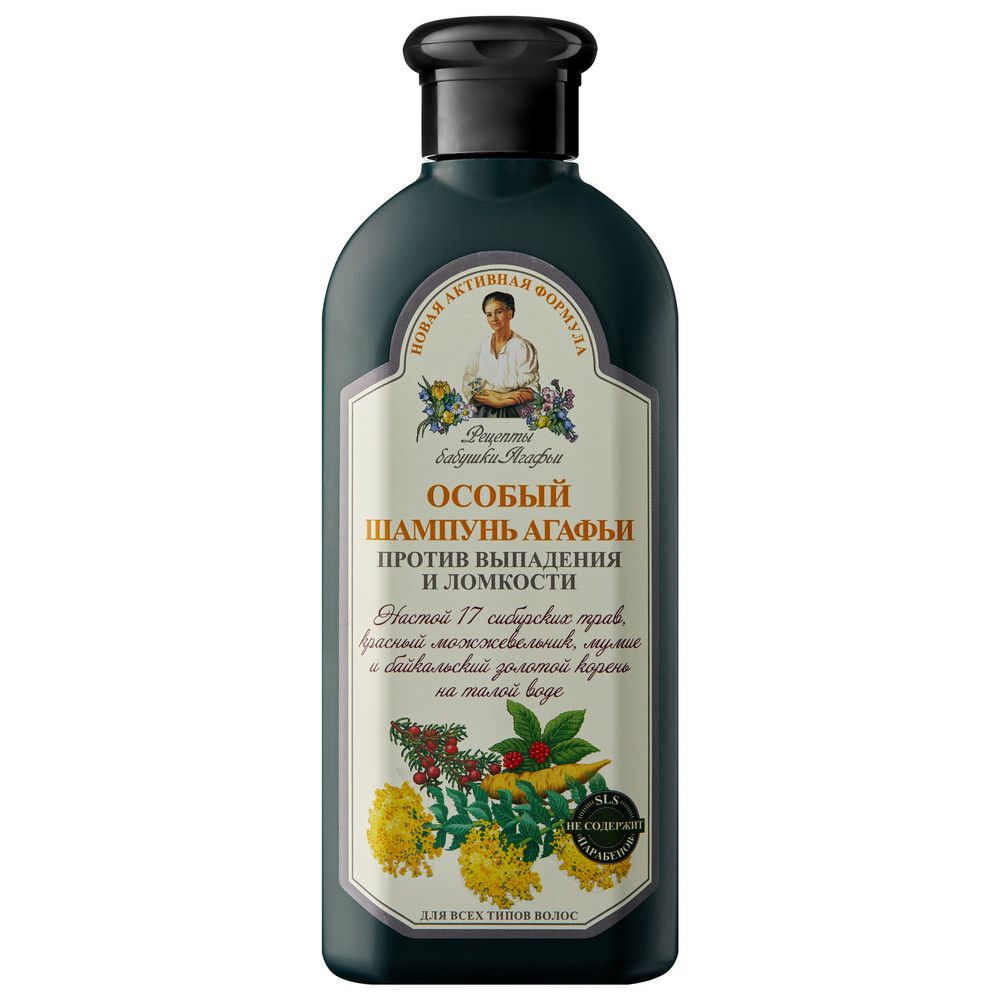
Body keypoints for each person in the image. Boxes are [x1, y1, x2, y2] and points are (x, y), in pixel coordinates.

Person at [461, 292, 540, 418]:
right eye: (489, 314)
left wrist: (501, 402)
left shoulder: (522, 346)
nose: (494, 318)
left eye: (498, 312)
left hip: (514, 412)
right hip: (483, 411)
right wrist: (499, 397)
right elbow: (469, 384)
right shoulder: (482, 346)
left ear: (510, 313)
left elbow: (531, 390)